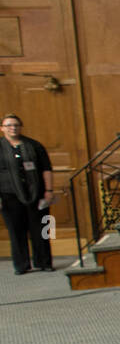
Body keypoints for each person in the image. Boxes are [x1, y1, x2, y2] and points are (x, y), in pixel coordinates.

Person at [1, 113, 55, 274]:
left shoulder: (34, 145)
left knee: (41, 229)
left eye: (16, 125)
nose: (13, 128)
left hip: (36, 194)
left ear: (21, 127)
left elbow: (46, 169)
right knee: (16, 232)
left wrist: (49, 191)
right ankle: (22, 265)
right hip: (8, 196)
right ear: (2, 128)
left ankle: (44, 262)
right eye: (9, 125)